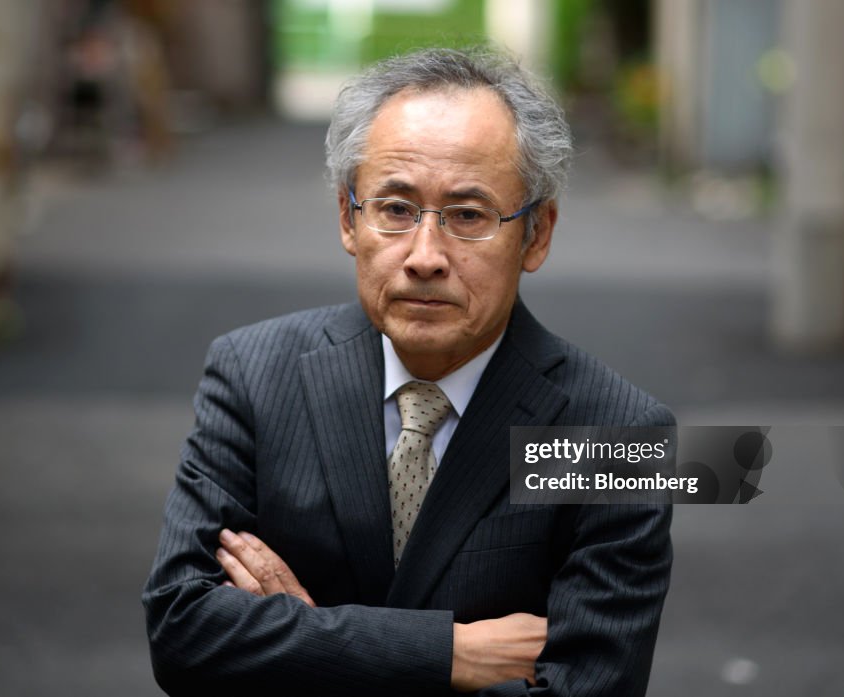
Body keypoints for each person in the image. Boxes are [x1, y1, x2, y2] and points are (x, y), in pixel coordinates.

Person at [143, 47, 674, 696]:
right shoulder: (253, 374)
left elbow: (590, 687)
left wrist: (304, 647)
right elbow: (182, 631)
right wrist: (448, 653)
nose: (425, 256)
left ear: (537, 234)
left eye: (469, 216)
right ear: (349, 218)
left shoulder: (620, 435)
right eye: (395, 209)